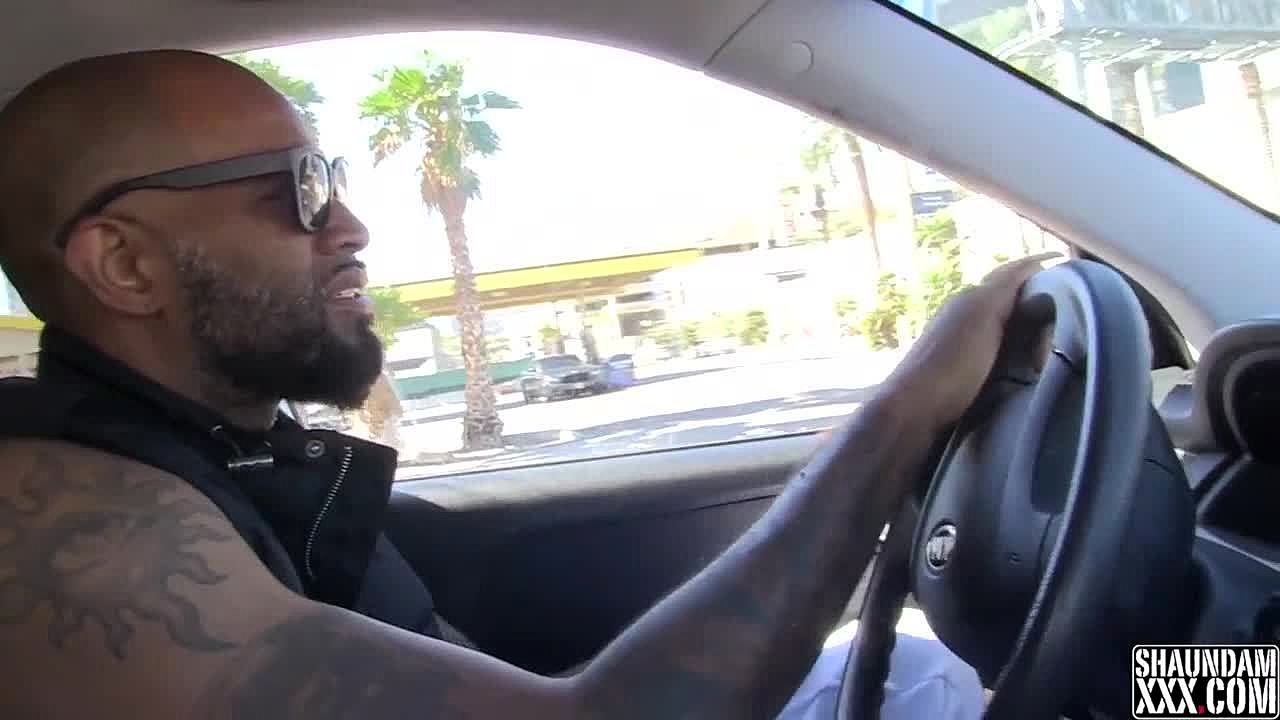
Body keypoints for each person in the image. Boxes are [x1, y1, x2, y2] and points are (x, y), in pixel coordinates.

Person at [0, 49, 1048, 719]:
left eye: (335, 180)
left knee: (944, 676)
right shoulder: (66, 537)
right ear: (125, 264)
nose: (351, 226)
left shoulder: (225, 458)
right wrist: (901, 414)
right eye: (299, 189)